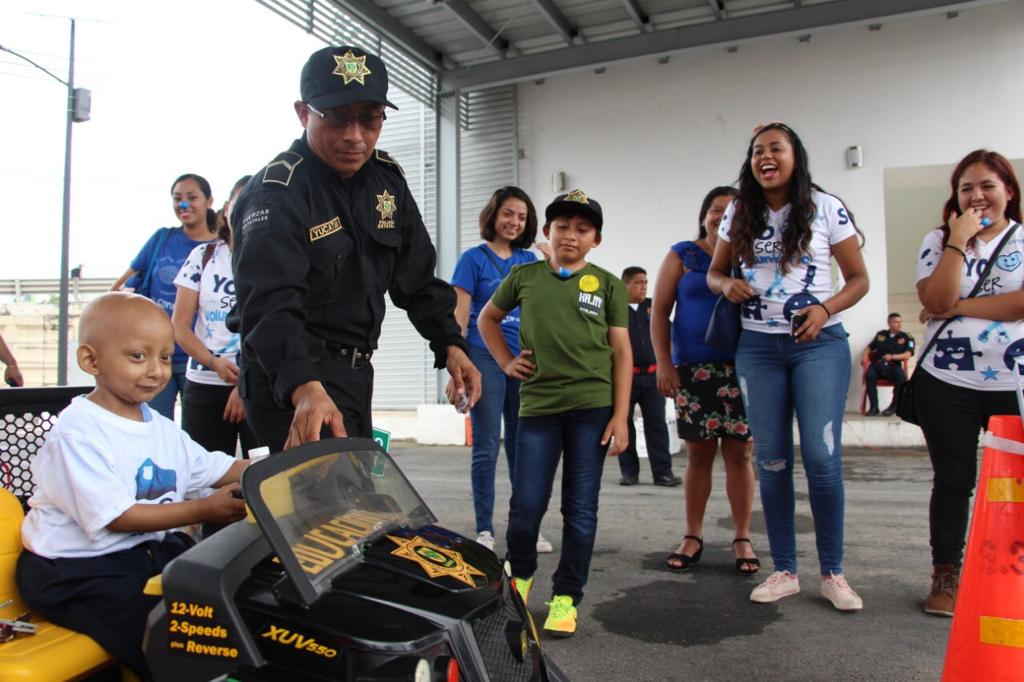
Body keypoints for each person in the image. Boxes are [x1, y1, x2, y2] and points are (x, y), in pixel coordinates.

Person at [230, 45, 480, 451]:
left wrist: (451, 345)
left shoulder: (387, 182)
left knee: (347, 502)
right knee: (316, 506)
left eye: (369, 120)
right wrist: (303, 386)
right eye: (338, 119)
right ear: (302, 112)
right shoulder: (277, 193)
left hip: (355, 374)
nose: (354, 136)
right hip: (292, 379)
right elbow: (269, 306)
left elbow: (416, 279)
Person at [15, 292, 248, 676]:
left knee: (226, 592)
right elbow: (117, 517)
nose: (156, 371)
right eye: (138, 357)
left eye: (164, 357)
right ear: (91, 360)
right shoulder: (78, 433)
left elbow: (213, 468)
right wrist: (206, 509)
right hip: (77, 569)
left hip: (141, 553)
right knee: (175, 635)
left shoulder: (160, 428)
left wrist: (271, 468)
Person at [708, 122, 869, 611]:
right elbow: (715, 271)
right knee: (771, 460)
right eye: (757, 150)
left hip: (817, 346)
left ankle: (833, 573)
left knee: (821, 459)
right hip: (758, 348)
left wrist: (825, 309)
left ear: (795, 157)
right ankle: (784, 569)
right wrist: (724, 286)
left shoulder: (826, 207)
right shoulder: (738, 210)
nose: (765, 156)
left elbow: (859, 280)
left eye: (776, 148)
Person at [479, 189, 630, 638]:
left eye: (582, 230)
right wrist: (506, 363)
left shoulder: (607, 284)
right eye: (562, 227)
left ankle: (566, 596)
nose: (571, 235)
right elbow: (487, 318)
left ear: (595, 240)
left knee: (580, 509)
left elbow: (621, 351)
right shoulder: (524, 277)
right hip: (539, 408)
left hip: (592, 409)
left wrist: (621, 416)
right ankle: (519, 580)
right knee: (526, 505)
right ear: (546, 231)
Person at [915, 149, 1024, 617]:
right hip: (947, 379)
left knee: (1014, 484)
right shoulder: (937, 240)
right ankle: (947, 575)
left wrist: (956, 308)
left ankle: (1008, 575)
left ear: (1009, 191)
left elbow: (1020, 305)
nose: (977, 196)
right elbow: (934, 295)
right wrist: (958, 242)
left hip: (1012, 379)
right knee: (954, 479)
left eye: (987, 186)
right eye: (966, 188)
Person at [651, 186, 757, 575]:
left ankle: (742, 536)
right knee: (698, 454)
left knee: (741, 453)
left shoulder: (752, 257)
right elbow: (660, 312)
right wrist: (665, 363)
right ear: (704, 215)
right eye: (716, 210)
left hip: (744, 367)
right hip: (692, 370)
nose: (722, 216)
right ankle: (692, 534)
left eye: (732, 211)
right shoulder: (683, 254)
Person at [448, 186, 553, 554]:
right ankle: (484, 530)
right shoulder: (472, 260)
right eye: (509, 213)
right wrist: (456, 364)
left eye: (522, 217)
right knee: (487, 446)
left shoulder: (530, 261)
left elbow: (556, 301)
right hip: (484, 358)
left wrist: (554, 261)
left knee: (525, 448)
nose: (514, 222)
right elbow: (460, 315)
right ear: (493, 215)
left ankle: (526, 527)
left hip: (523, 361)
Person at [112, 174, 218, 420]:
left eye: (192, 198)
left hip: (201, 361)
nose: (184, 205)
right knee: (152, 431)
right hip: (156, 357)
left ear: (209, 201)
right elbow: (118, 288)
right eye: (177, 198)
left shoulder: (219, 249)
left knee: (197, 440)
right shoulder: (161, 239)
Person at [172, 176, 259, 458]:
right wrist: (213, 362)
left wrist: (246, 386)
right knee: (204, 479)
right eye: (239, 203)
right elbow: (180, 327)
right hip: (204, 386)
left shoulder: (274, 258)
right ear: (226, 209)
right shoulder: (203, 256)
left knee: (264, 475)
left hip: (259, 387)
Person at [617, 266, 681, 487]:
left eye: (645, 282)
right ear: (625, 284)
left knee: (657, 426)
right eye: (637, 282)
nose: (643, 286)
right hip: (625, 378)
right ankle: (629, 472)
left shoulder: (653, 308)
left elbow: (670, 336)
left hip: (652, 377)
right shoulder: (615, 309)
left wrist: (673, 366)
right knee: (624, 424)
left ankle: (663, 473)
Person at [862, 312, 915, 416]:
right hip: (878, 365)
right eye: (896, 322)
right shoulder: (881, 335)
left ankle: (894, 406)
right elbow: (870, 347)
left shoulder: (907, 337)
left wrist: (893, 357)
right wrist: (864, 356)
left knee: (901, 376)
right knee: (869, 374)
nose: (899, 324)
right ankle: (874, 407)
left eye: (900, 322)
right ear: (889, 323)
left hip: (894, 365)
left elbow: (907, 354)